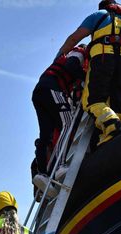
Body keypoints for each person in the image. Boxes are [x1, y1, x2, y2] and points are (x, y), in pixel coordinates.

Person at [55, 0, 121, 146]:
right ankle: (111, 137)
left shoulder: (99, 15)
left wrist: (59, 57)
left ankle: (111, 125)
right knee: (117, 103)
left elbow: (75, 38)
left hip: (103, 58)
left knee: (92, 100)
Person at [32, 44, 88, 179]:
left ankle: (42, 174)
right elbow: (71, 65)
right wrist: (86, 78)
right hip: (51, 87)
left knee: (46, 135)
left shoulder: (62, 59)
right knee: (68, 124)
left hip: (39, 91)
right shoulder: (79, 52)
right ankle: (61, 166)